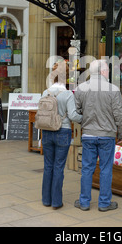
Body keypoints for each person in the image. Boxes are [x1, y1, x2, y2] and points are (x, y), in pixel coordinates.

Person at [74, 59, 122, 212]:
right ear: (103, 72)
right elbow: (120, 115)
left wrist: (86, 120)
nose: (108, 73)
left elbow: (76, 111)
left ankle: (84, 202)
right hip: (107, 135)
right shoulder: (113, 89)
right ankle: (104, 203)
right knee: (105, 169)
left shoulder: (81, 88)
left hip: (88, 135)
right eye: (108, 71)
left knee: (86, 169)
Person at [41, 60, 82, 209]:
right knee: (58, 167)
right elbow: (73, 116)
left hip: (46, 131)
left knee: (48, 166)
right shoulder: (67, 95)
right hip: (62, 132)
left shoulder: (46, 92)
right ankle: (56, 201)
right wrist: (84, 118)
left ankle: (46, 199)